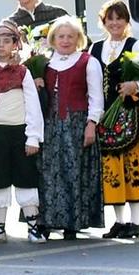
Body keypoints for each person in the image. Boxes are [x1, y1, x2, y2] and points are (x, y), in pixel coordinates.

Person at [93, 0, 139, 238]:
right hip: (107, 116)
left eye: (119, 18)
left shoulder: (137, 46)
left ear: (126, 21)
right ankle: (119, 221)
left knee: (134, 168)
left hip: (135, 113)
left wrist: (135, 84)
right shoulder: (94, 48)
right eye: (110, 19)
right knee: (113, 169)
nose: (115, 23)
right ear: (104, 22)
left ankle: (135, 221)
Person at [0, 23, 46, 244]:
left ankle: (33, 226)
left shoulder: (23, 72)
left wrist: (33, 136)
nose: (1, 46)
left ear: (15, 45)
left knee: (26, 178)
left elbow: (33, 105)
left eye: (6, 41)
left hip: (20, 132)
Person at [38, 15, 104, 240]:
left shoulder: (87, 61)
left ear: (79, 39)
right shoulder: (44, 62)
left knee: (72, 171)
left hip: (76, 123)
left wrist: (91, 124)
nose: (65, 40)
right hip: (50, 124)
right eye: (61, 36)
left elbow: (96, 97)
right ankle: (45, 220)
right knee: (47, 172)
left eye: (71, 36)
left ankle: (72, 222)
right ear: (53, 39)